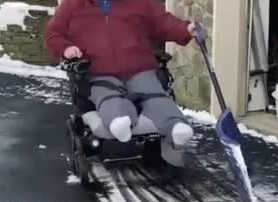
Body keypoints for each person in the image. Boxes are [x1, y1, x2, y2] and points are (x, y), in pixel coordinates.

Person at [46, 0, 199, 148]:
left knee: (154, 94)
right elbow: (54, 34)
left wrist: (185, 30)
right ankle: (119, 121)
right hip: (99, 72)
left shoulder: (141, 3)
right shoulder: (73, 5)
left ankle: (176, 126)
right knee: (108, 96)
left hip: (139, 68)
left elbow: (164, 23)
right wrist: (66, 48)